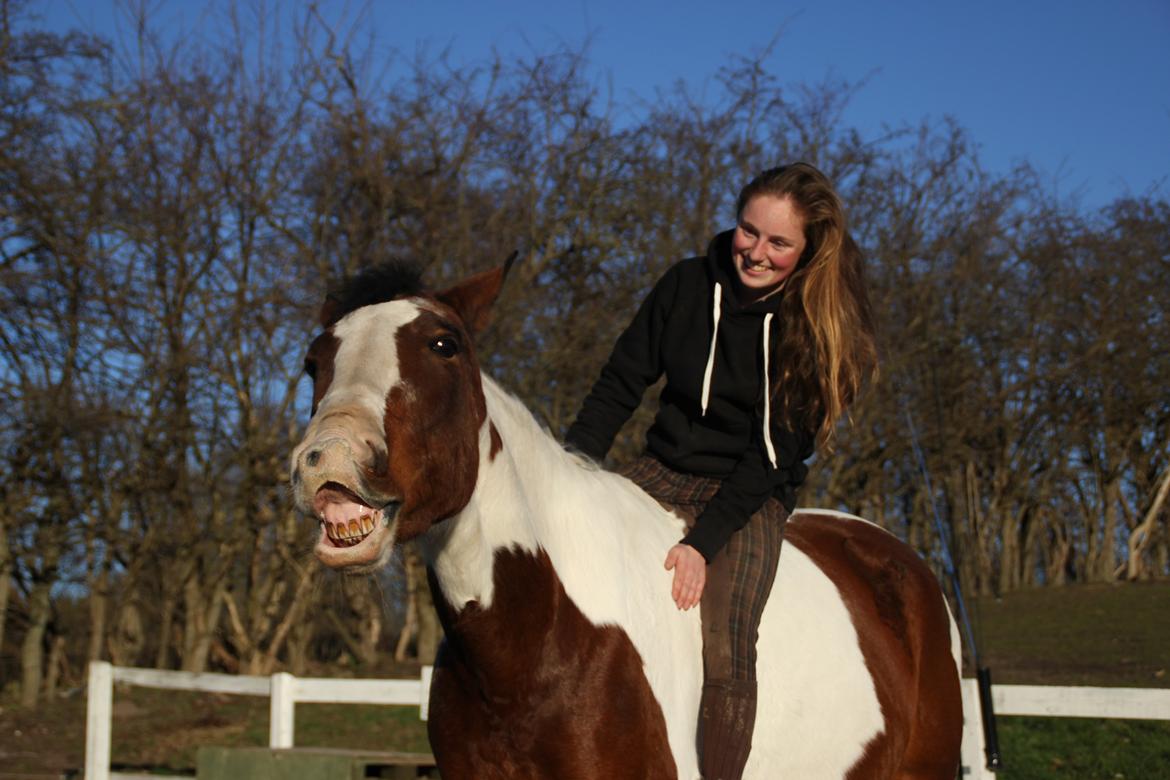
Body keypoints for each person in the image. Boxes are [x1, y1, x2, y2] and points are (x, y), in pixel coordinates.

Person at [565, 162, 878, 779]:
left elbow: (772, 457)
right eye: (748, 231)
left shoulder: (813, 329)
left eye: (778, 243)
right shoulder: (685, 286)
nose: (756, 252)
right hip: (661, 467)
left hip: (748, 494)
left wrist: (702, 545)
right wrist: (571, 471)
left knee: (727, 649)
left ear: (807, 251)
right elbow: (619, 384)